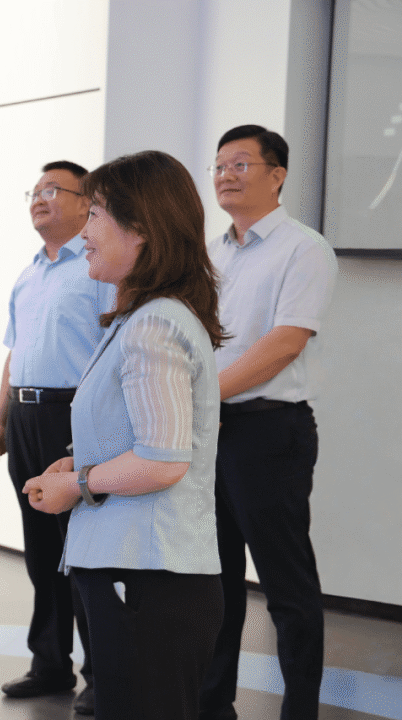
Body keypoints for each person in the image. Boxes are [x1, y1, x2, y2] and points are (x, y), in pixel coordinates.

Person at [24, 150, 227, 720]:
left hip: (147, 575)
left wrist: (77, 484)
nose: (84, 231)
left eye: (95, 215)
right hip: (139, 571)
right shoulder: (144, 317)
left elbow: (162, 461)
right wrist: (77, 463)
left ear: (141, 229)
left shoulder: (155, 323)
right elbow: (139, 434)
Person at [198, 125, 338, 720]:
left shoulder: (304, 249)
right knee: (215, 578)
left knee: (285, 583)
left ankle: (299, 710)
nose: (225, 175)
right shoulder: (211, 252)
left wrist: (200, 394)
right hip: (210, 431)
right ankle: (212, 704)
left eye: (240, 164)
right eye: (219, 165)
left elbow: (284, 344)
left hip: (269, 431)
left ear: (277, 175)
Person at [0, 160, 113, 713]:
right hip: (27, 416)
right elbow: (15, 352)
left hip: (73, 417)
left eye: (52, 189)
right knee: (40, 549)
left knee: (80, 551)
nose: (39, 198)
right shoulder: (29, 273)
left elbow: (113, 348)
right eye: (34, 190)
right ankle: (50, 664)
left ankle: (101, 676)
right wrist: (0, 418)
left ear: (86, 202)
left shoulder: (99, 268)